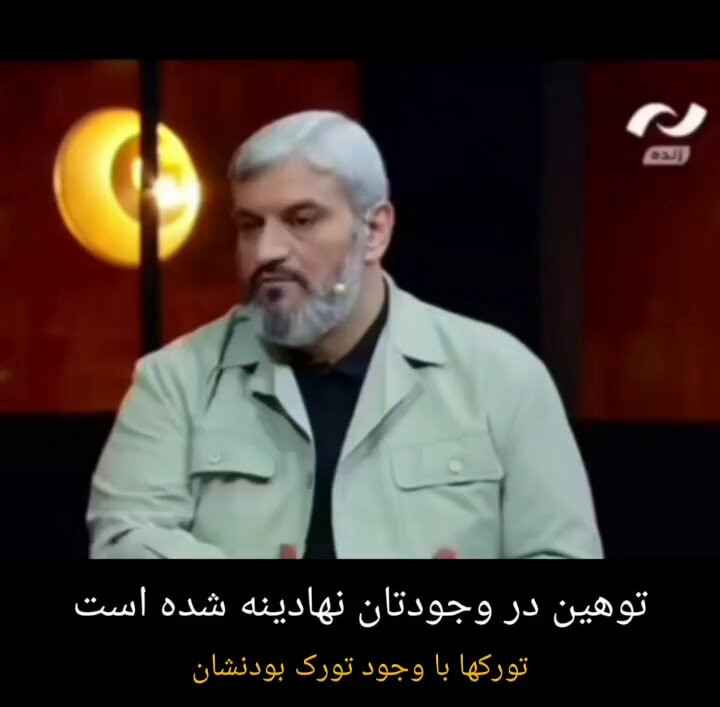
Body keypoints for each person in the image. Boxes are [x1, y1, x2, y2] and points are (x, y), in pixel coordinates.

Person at [86, 110, 603, 559]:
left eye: (300, 220)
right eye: (250, 224)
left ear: (373, 231)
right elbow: (124, 540)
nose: (267, 251)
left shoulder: (502, 377)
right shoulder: (174, 382)